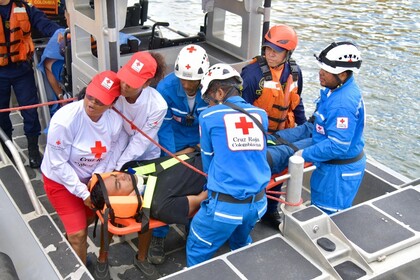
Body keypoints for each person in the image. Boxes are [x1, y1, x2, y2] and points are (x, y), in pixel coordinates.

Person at [186, 63, 271, 267]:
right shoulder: (261, 115)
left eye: (209, 98)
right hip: (258, 205)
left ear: (220, 92)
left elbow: (207, 161)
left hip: (224, 208)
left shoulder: (208, 117)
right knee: (241, 243)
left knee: (197, 247)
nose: (208, 104)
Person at [40, 70, 124, 265]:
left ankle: (71, 247)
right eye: (89, 97)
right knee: (79, 235)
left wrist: (95, 180)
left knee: (84, 223)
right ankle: (81, 271)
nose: (91, 104)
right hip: (60, 180)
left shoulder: (114, 121)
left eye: (100, 101)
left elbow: (110, 152)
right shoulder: (65, 120)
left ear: (111, 104)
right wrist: (82, 193)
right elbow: (58, 163)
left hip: (91, 181)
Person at [91, 152, 207, 280]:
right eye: (118, 184)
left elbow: (169, 159)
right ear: (122, 200)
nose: (123, 176)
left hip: (202, 155)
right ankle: (103, 260)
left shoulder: (130, 167)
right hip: (214, 170)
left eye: (116, 176)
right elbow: (201, 198)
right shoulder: (161, 206)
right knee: (139, 216)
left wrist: (195, 149)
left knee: (145, 215)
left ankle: (141, 258)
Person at [240, 24, 306, 229]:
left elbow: (297, 102)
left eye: (275, 51)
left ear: (288, 53)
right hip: (259, 134)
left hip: (284, 132)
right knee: (255, 174)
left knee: (278, 174)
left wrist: (304, 128)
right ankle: (247, 212)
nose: (270, 54)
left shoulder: (295, 73)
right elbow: (241, 109)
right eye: (267, 49)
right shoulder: (252, 75)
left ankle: (270, 210)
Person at [150, 44, 209, 265]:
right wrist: (171, 157)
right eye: (183, 80)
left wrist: (201, 148)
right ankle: (159, 236)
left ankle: (192, 225)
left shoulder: (211, 87)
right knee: (165, 187)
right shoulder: (166, 89)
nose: (186, 85)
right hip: (173, 143)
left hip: (201, 143)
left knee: (200, 183)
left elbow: (213, 123)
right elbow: (164, 127)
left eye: (192, 80)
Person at [295, 41, 366, 214]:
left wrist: (303, 154)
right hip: (330, 169)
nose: (321, 73)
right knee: (319, 208)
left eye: (326, 71)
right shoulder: (335, 90)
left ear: (342, 75)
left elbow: (337, 145)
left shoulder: (342, 104)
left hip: (337, 176)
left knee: (328, 216)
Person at [37, 6, 141, 115]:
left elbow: (50, 58)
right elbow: (133, 41)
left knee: (48, 64)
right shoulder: (112, 35)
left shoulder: (64, 36)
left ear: (68, 16)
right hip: (106, 72)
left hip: (76, 73)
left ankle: (62, 99)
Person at [0, 0, 62, 168]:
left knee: (30, 111)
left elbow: (44, 23)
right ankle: (7, 150)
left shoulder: (25, 7)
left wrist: (60, 33)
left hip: (22, 70)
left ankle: (33, 150)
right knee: (1, 115)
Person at [108, 51, 167, 171]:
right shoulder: (116, 94)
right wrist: (110, 166)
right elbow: (120, 132)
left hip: (146, 156)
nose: (124, 85)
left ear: (146, 84)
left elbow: (141, 141)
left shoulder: (158, 106)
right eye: (124, 78)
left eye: (131, 82)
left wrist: (119, 167)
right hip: (118, 148)